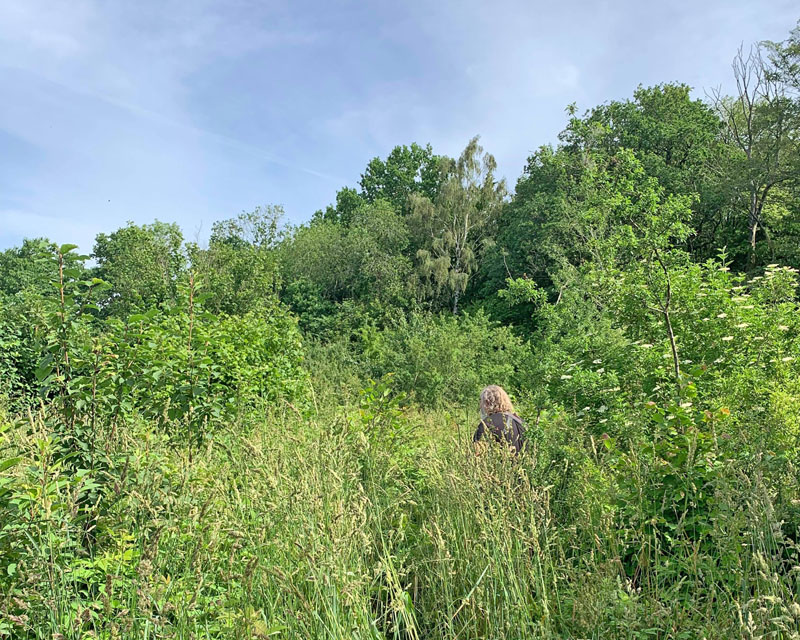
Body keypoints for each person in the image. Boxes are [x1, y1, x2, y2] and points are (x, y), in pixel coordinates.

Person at [473, 385, 526, 454]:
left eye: (481, 402)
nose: (480, 406)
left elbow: (477, 455)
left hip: (501, 464)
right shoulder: (521, 422)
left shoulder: (487, 423)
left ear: (487, 402)